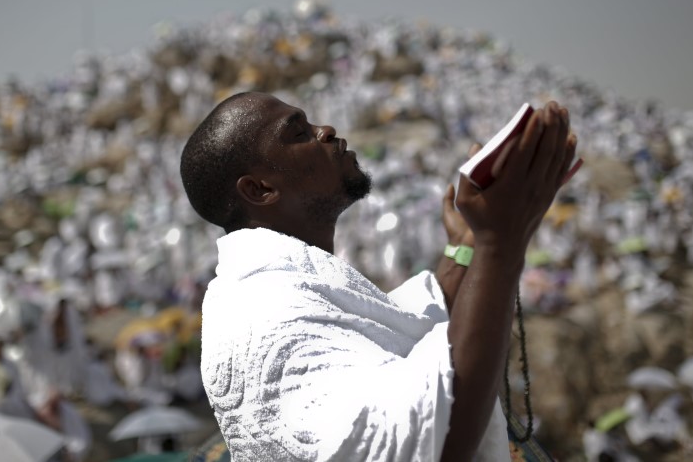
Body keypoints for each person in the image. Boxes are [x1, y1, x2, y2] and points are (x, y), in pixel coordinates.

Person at [180, 92, 576, 461]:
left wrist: (467, 249)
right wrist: (498, 244)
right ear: (261, 188)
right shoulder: (265, 315)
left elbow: (402, 323)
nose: (326, 131)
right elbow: (428, 438)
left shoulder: (278, 284)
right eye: (300, 134)